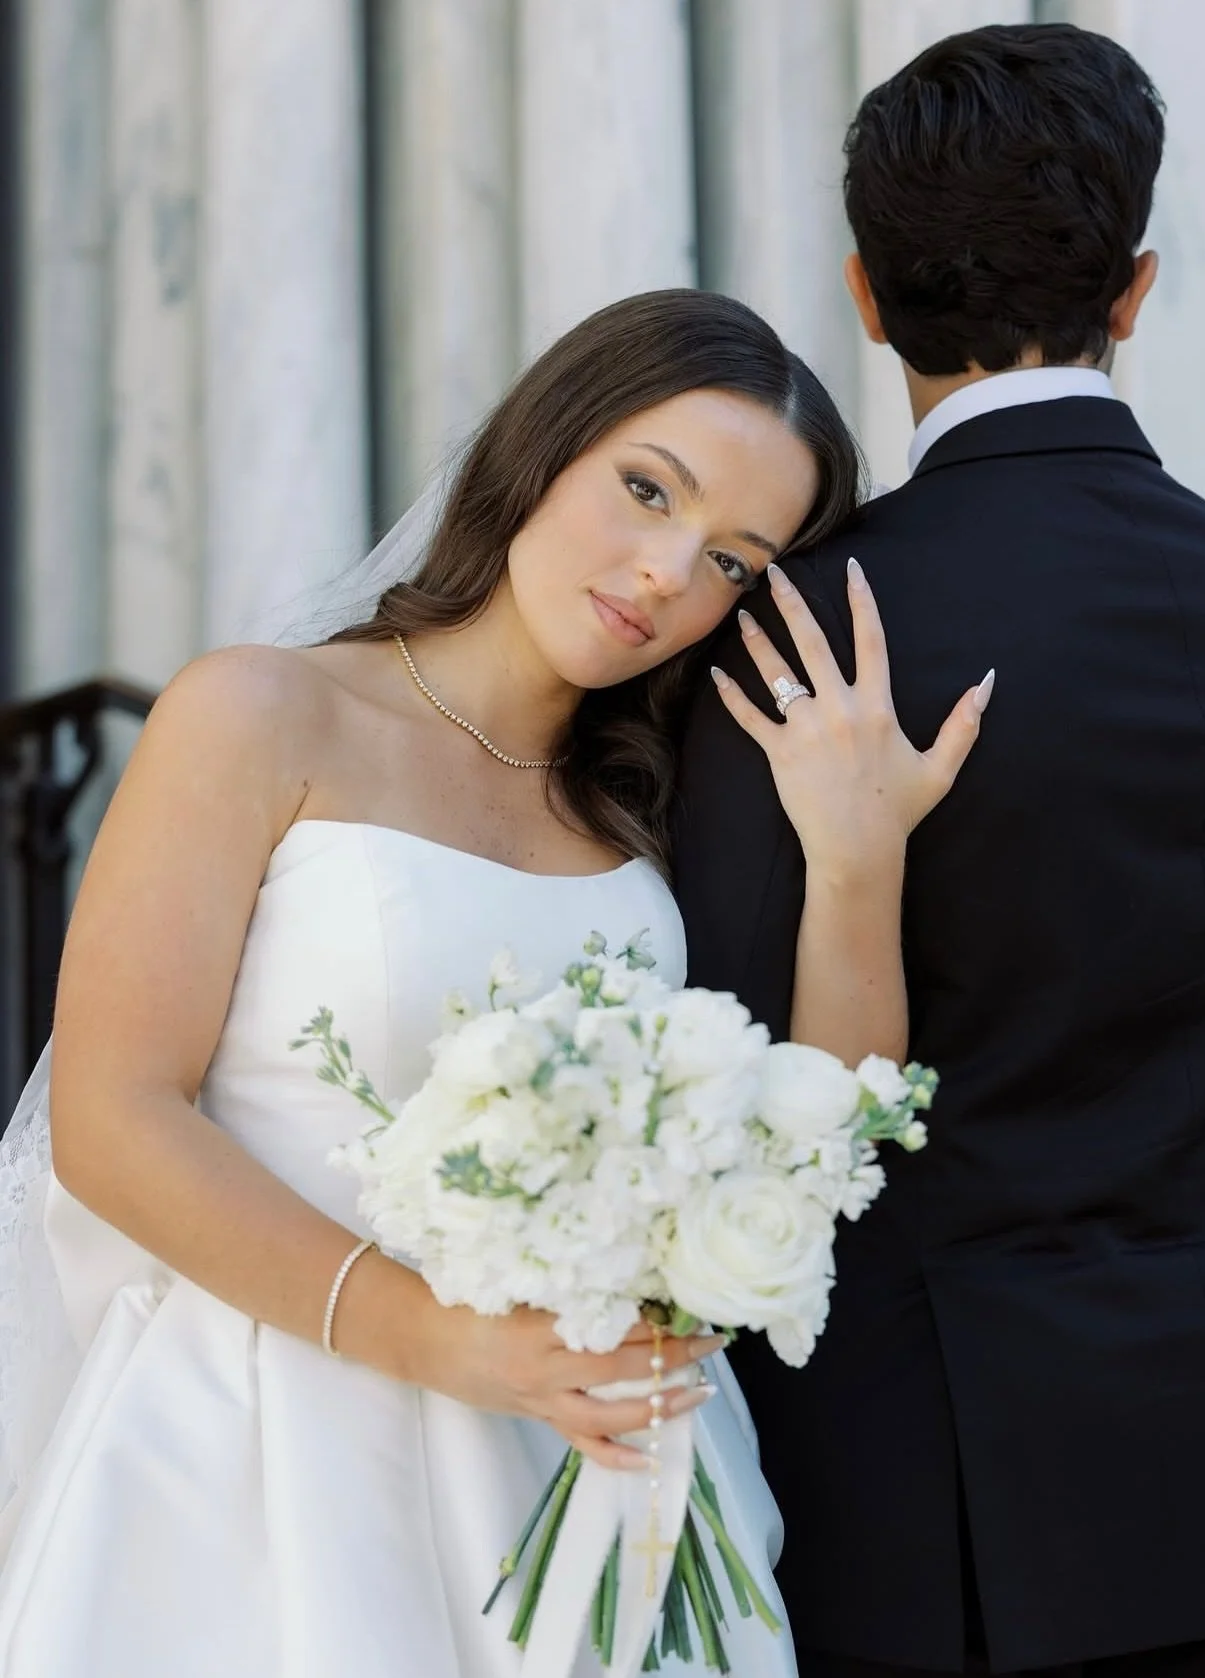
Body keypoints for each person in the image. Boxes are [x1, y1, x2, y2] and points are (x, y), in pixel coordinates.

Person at [0, 289, 985, 1678]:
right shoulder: (258, 712)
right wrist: (441, 1341)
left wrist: (855, 851)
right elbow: (112, 1115)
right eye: (645, 491)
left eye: (730, 561)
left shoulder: (652, 813)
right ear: (543, 445)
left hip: (592, 1459)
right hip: (273, 1443)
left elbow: (822, 1124)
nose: (661, 574)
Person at [674, 23, 1205, 1678]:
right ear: (1132, 290)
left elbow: (739, 1075)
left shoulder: (792, 637)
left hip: (933, 1502)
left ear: (863, 295)